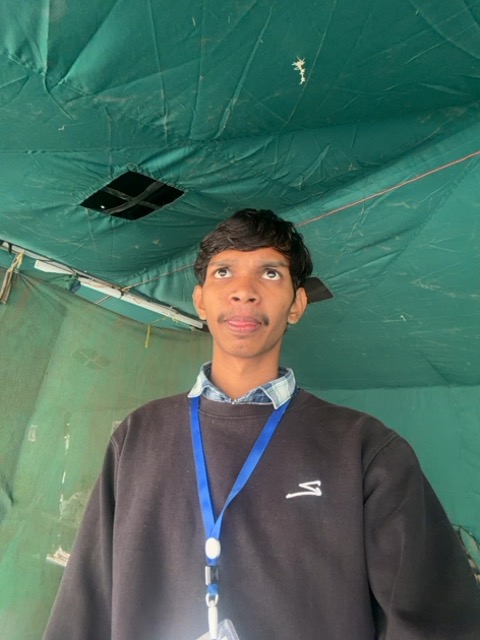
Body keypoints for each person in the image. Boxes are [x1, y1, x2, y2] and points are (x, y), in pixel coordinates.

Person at [44, 209, 480, 640]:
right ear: (200, 300)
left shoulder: (367, 450)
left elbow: (436, 622)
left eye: (270, 274)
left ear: (297, 305)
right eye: (223, 272)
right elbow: (85, 604)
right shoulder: (136, 436)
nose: (243, 291)